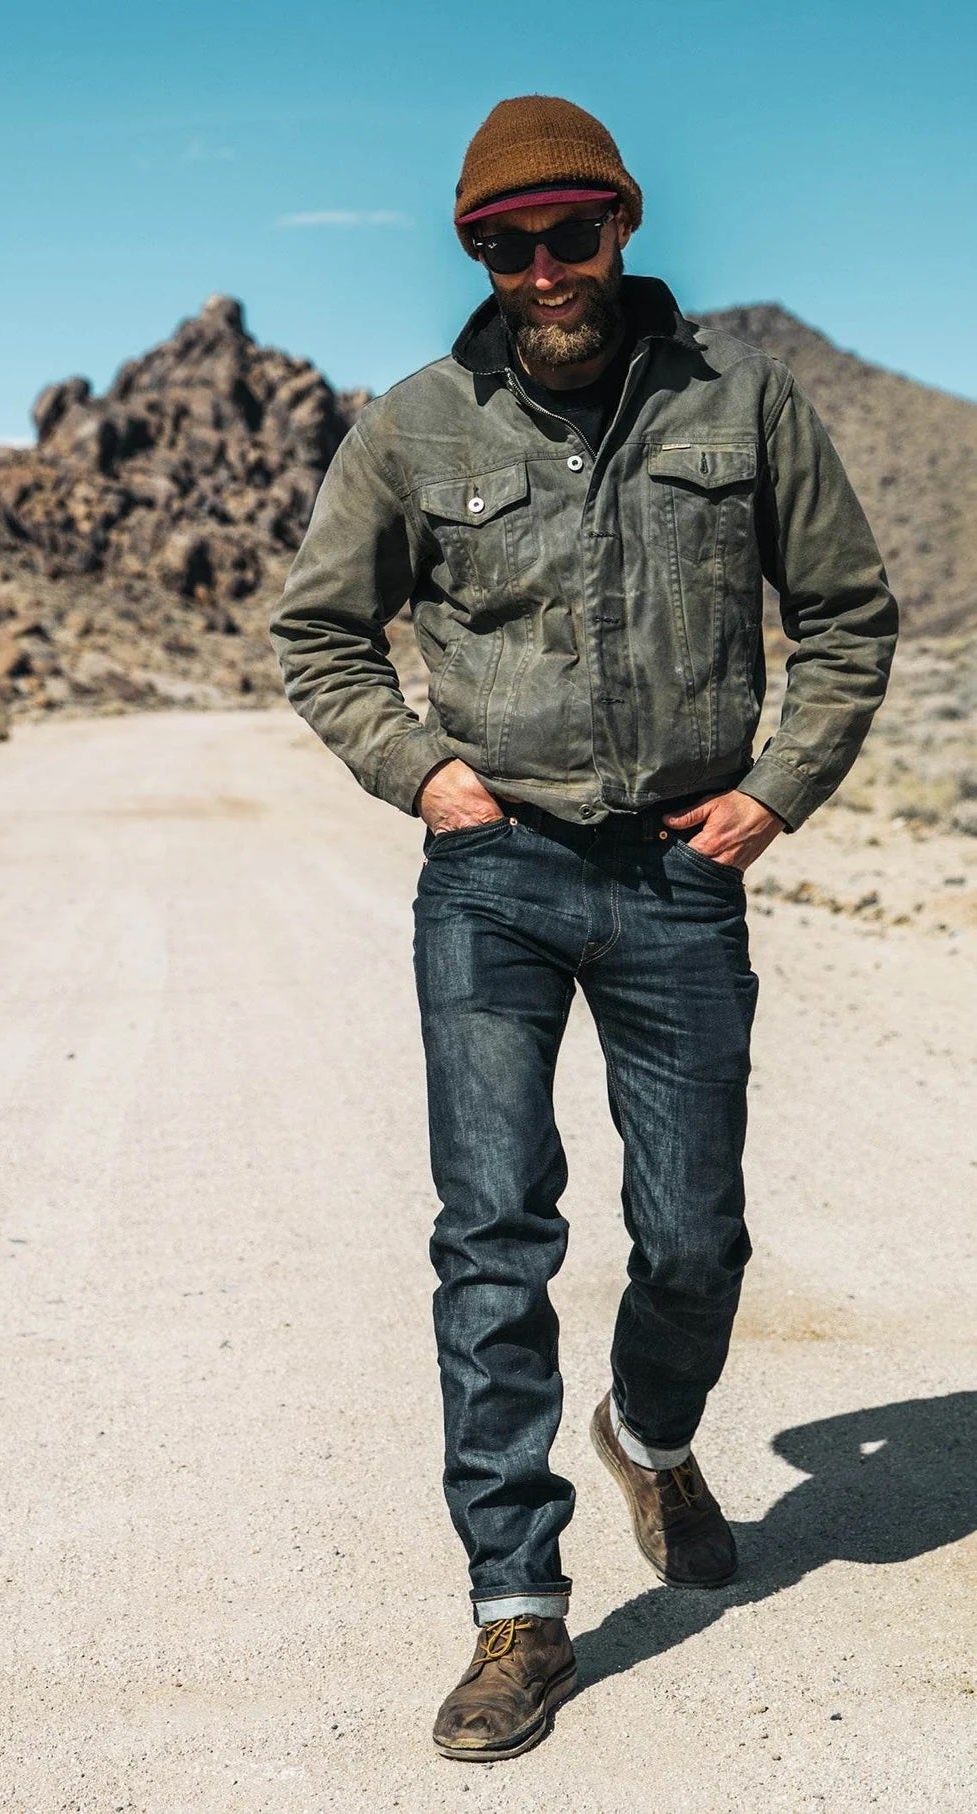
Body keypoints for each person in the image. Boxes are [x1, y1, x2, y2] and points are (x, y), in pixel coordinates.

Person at [268, 93, 897, 1763]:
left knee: (696, 1237)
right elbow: (319, 635)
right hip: (498, 876)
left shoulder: (742, 403)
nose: (542, 269)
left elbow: (846, 615)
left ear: (621, 224)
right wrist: (424, 774)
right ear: (475, 254)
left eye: (569, 233)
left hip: (682, 872)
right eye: (506, 245)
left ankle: (652, 1433)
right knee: (494, 1233)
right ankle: (518, 1606)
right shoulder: (417, 426)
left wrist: (776, 791)